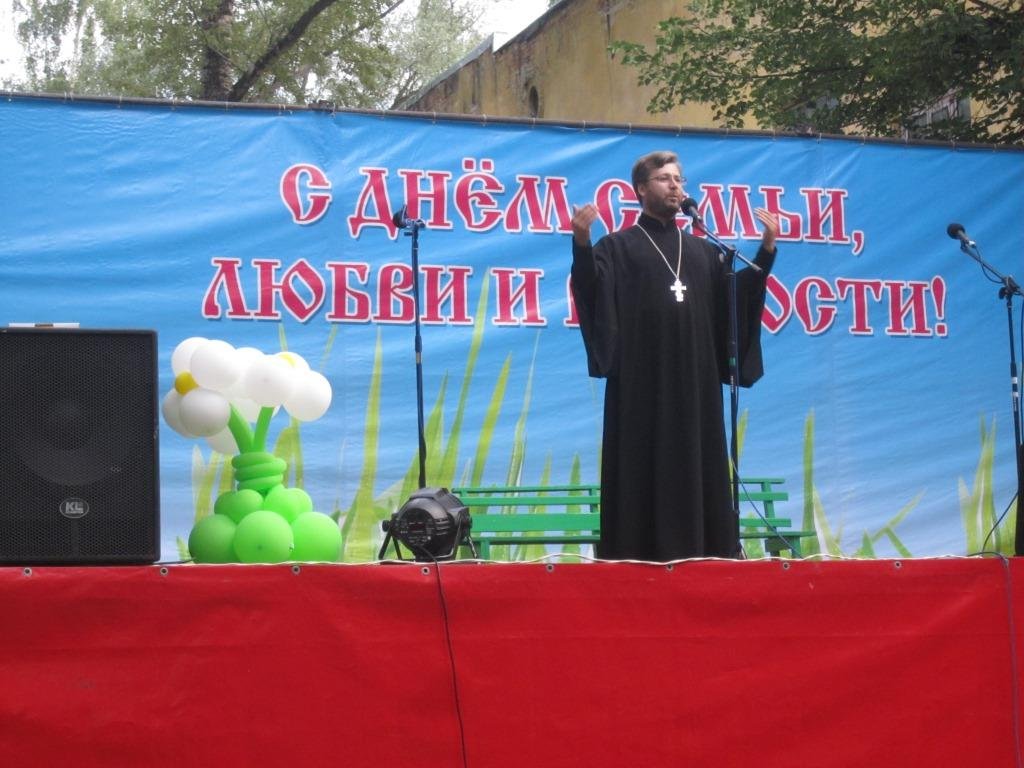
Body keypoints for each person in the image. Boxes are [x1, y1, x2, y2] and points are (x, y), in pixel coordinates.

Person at [570, 150, 779, 560]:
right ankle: (638, 557)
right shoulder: (617, 247)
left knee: (699, 464)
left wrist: (766, 250)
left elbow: (736, 300)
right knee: (643, 468)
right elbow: (591, 290)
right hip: (641, 387)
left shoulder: (704, 252)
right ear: (641, 189)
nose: (675, 186)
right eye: (665, 179)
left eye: (679, 180)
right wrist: (581, 243)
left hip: (696, 388)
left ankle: (709, 553)